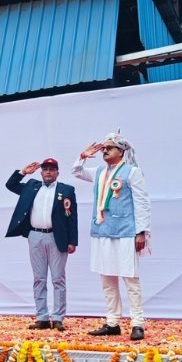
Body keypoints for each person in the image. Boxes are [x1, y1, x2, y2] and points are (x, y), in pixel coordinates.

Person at [71, 133, 151, 341]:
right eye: (104, 148)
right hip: (102, 231)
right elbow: (76, 171)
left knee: (130, 279)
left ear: (121, 151)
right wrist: (83, 156)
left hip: (126, 231)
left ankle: (137, 323)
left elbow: (142, 202)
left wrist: (142, 231)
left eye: (110, 148)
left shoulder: (132, 172)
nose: (104, 151)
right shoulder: (99, 172)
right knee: (107, 279)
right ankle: (112, 322)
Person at [5, 157, 78, 331]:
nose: (48, 172)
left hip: (57, 237)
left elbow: (72, 217)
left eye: (52, 169)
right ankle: (42, 317)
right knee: (39, 278)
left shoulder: (66, 190)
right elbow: (10, 185)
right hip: (35, 236)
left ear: (57, 173)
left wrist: (72, 241)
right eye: (45, 169)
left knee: (58, 278)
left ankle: (58, 317)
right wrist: (23, 172)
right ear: (41, 172)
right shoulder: (31, 186)